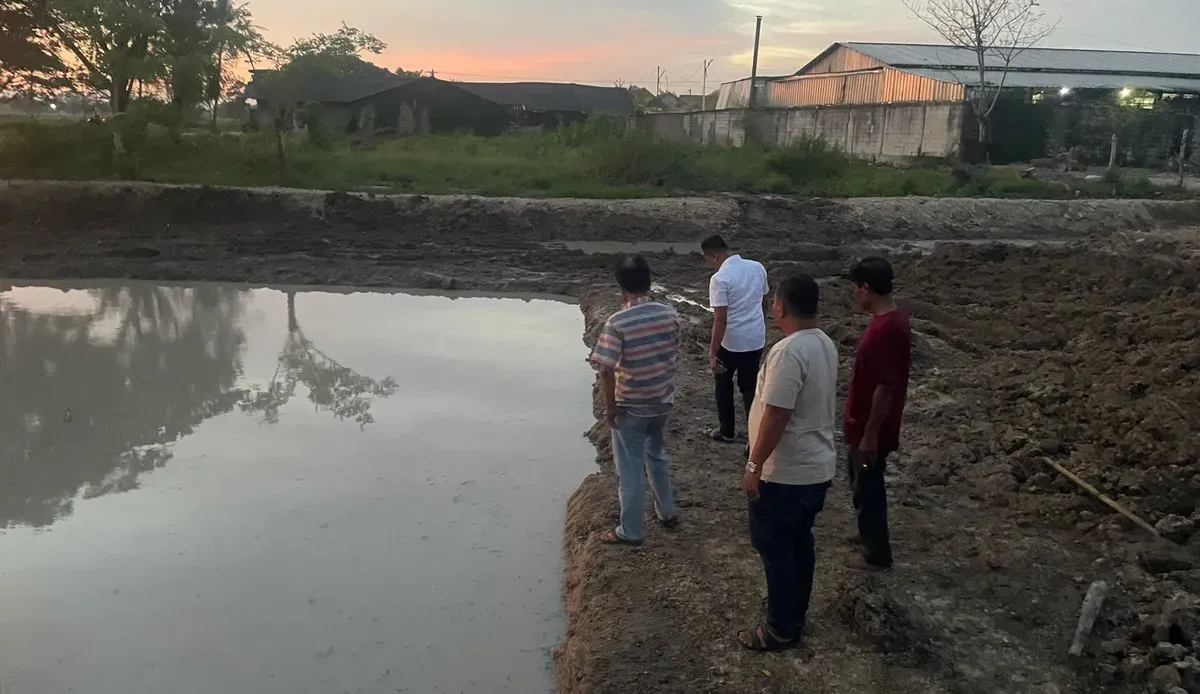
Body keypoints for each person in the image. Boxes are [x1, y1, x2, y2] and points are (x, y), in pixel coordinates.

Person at [737, 274, 838, 651]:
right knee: (798, 544)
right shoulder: (824, 343)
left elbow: (777, 414)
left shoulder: (787, 352)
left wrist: (754, 465)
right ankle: (793, 611)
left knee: (776, 550)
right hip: (815, 469)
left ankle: (779, 628)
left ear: (780, 306)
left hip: (786, 475)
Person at [589, 255, 681, 547]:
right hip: (661, 401)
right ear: (649, 281)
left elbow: (605, 368)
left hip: (632, 406)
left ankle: (631, 531)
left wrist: (611, 407)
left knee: (629, 469)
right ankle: (666, 512)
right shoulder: (670, 314)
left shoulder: (617, 322)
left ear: (621, 287)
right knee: (657, 455)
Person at [844, 257, 911, 571]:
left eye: (856, 288)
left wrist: (870, 433)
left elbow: (885, 388)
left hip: (870, 426)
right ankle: (867, 532)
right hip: (866, 422)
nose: (855, 295)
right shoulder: (892, 319)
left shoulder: (884, 330)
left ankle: (877, 552)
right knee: (860, 478)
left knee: (868, 485)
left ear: (866, 289)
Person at [702, 235, 770, 444]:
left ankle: (727, 430)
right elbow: (764, 302)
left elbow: (720, 320)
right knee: (750, 387)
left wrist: (712, 353)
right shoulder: (757, 267)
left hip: (731, 342)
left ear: (713, 255)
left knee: (723, 383)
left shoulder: (720, 279)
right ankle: (754, 436)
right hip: (755, 339)